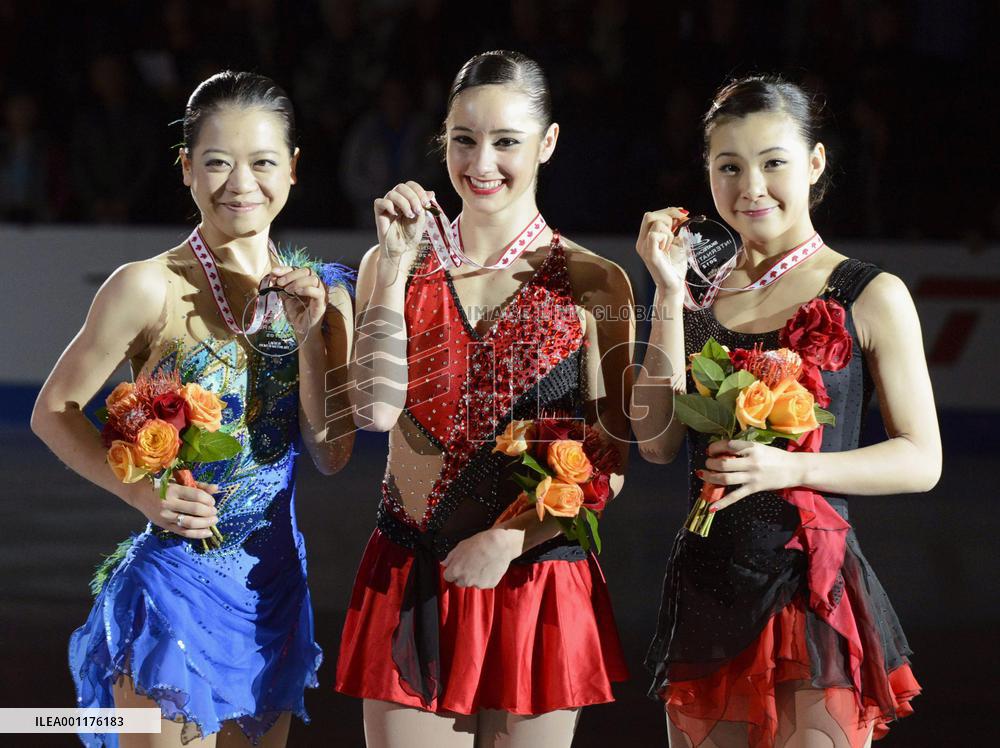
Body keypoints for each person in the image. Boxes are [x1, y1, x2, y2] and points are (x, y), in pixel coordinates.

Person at [31, 70, 356, 747]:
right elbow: (54, 410)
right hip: (175, 584)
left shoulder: (326, 296)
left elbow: (330, 454)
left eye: (263, 161)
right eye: (216, 161)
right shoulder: (145, 286)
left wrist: (310, 341)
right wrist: (146, 497)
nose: (241, 182)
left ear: (293, 170)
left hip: (274, 590)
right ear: (185, 169)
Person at [632, 75, 941, 748]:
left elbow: (921, 460)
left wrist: (784, 469)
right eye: (729, 167)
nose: (752, 187)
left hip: (813, 590)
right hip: (708, 589)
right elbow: (654, 444)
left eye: (774, 162)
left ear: (815, 163)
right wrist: (664, 293)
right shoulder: (693, 293)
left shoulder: (869, 293)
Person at [337, 50, 634, 748]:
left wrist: (511, 538)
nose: (482, 163)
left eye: (507, 142)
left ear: (548, 143)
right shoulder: (396, 262)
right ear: (442, 137)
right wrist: (393, 269)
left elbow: (611, 461)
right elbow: (376, 412)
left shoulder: (596, 283)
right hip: (412, 570)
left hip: (536, 579)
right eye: (464, 140)